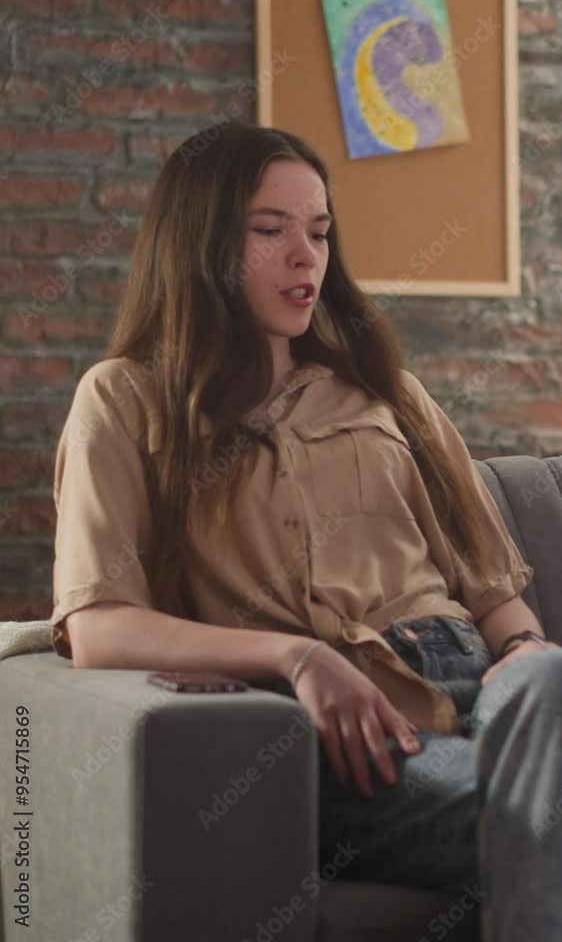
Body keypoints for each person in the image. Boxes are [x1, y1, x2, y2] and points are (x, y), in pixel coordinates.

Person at [51, 122, 561, 940]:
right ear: (201, 243)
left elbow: (490, 581)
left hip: (491, 685)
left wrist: (526, 646)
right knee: (539, 807)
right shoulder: (123, 401)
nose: (305, 256)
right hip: (353, 731)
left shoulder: (385, 391)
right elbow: (99, 627)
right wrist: (298, 656)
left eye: (319, 233)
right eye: (270, 230)